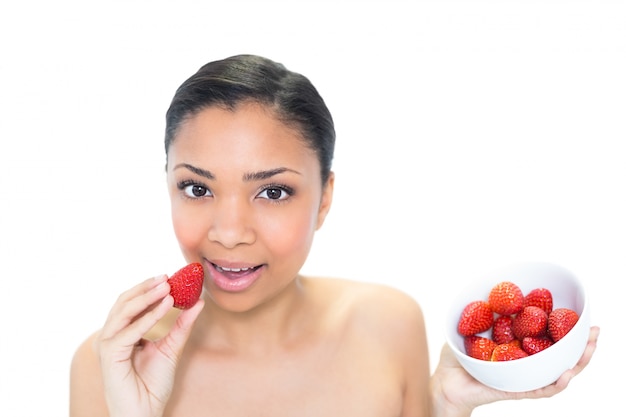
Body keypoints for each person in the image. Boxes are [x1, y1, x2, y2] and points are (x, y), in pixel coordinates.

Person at [69, 54, 600, 417]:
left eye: (273, 192)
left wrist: (444, 403)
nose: (228, 233)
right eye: (196, 187)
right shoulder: (109, 365)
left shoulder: (390, 324)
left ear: (324, 199)